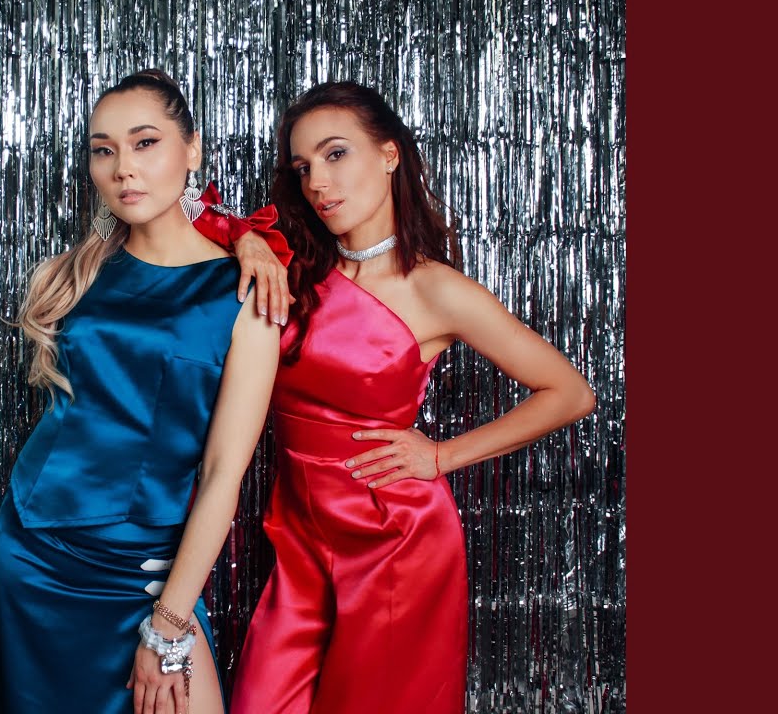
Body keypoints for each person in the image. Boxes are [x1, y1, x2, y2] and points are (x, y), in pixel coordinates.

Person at [205, 82, 597, 714]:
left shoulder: (435, 289)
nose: (317, 183)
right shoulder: (291, 265)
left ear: (390, 155)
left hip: (393, 542)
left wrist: (440, 456)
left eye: (336, 154)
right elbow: (184, 209)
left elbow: (571, 392)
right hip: (299, 538)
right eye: (303, 167)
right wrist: (247, 238)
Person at [0, 69, 280, 714]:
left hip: (145, 569)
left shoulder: (246, 290)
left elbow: (223, 472)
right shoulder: (80, 273)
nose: (123, 168)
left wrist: (168, 624)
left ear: (192, 150)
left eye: (145, 143)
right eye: (103, 150)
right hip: (32, 551)